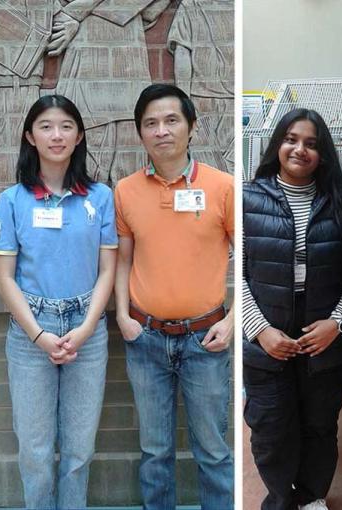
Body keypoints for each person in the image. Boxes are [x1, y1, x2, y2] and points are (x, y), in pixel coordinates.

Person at [0, 95, 117, 509]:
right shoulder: (12, 200)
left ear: (79, 136)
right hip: (32, 332)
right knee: (36, 452)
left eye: (66, 126)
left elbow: (107, 270)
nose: (56, 134)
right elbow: (4, 278)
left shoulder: (99, 197)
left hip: (88, 329)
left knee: (79, 451)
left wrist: (84, 329)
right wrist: (40, 334)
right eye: (46, 126)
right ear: (30, 136)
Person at [114, 83, 234, 509]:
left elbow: (251, 260)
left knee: (215, 452)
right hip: (145, 339)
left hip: (207, 340)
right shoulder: (125, 190)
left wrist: (233, 318)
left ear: (191, 127)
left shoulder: (223, 187)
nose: (161, 131)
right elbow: (123, 259)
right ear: (140, 134)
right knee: (155, 453)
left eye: (171, 120)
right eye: (150, 123)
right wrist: (122, 316)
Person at [242, 108, 342, 510]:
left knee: (319, 426)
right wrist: (260, 330)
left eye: (312, 144)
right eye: (292, 139)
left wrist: (337, 323)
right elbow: (231, 274)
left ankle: (312, 497)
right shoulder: (246, 197)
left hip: (323, 336)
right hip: (266, 333)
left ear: (324, 153)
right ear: (277, 143)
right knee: (270, 429)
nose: (300, 149)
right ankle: (280, 499)